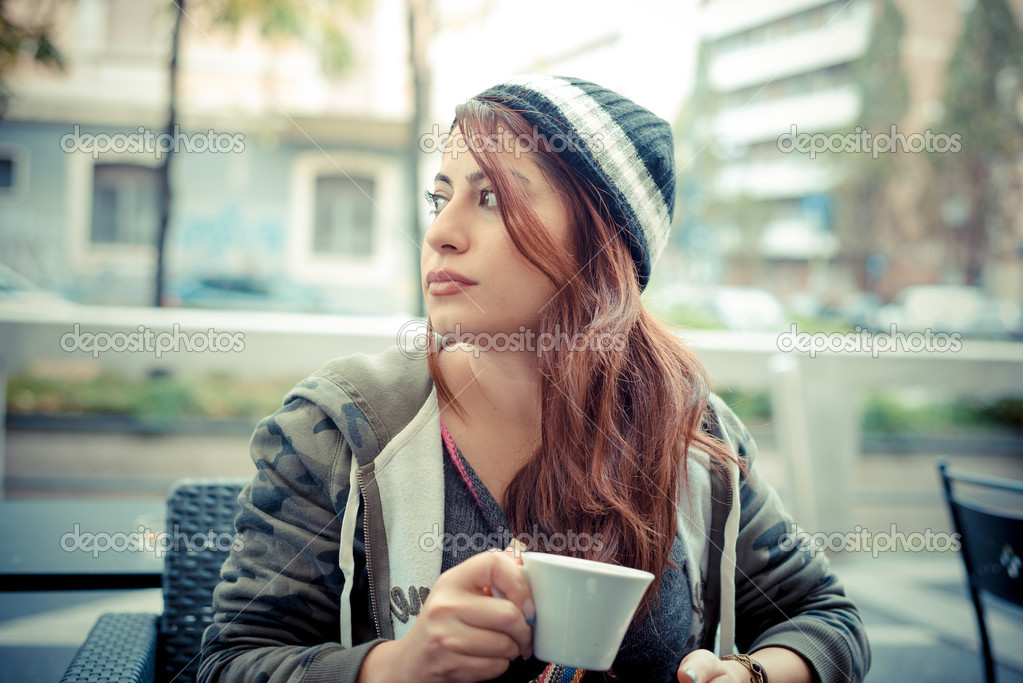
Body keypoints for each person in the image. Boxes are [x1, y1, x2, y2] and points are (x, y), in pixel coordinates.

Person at [198, 75, 871, 683]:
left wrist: (752, 676)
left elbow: (824, 616)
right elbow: (230, 662)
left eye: (489, 197)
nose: (440, 234)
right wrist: (397, 666)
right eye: (440, 198)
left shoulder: (692, 436)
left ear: (600, 243)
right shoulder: (338, 428)